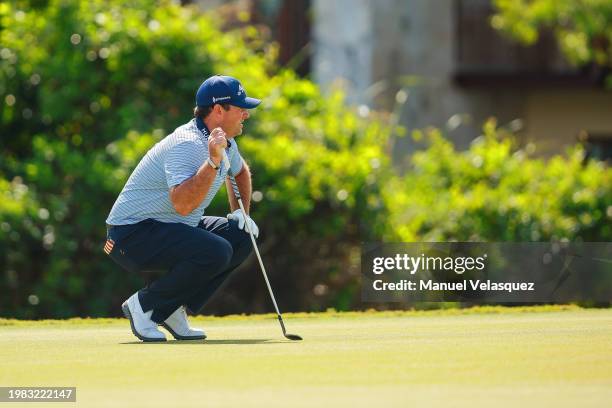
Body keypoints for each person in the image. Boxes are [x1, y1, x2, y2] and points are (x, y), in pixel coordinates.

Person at [104, 75, 261, 342]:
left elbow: (240, 173)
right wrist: (212, 162)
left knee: (241, 235)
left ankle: (172, 308)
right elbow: (183, 203)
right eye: (239, 107)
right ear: (219, 111)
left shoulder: (226, 143)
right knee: (216, 250)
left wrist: (241, 213)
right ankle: (144, 306)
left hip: (171, 226)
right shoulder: (187, 144)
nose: (246, 114)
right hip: (129, 235)